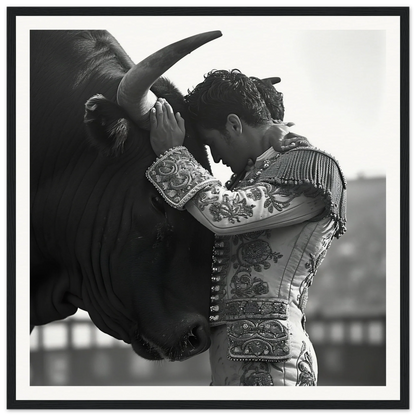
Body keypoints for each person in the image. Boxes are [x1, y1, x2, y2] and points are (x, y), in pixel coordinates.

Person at [146, 69, 347, 386]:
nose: (215, 158)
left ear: (234, 124)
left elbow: (224, 214)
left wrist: (173, 155)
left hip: (274, 363)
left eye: (211, 143)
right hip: (238, 359)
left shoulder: (310, 167)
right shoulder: (255, 176)